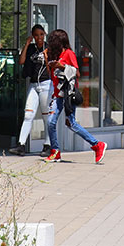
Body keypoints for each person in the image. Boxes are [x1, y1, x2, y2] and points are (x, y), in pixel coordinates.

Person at [43, 29, 107, 164]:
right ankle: (55, 151)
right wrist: (47, 60)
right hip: (57, 94)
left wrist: (62, 65)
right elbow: (51, 76)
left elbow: (77, 74)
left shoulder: (69, 54)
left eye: (53, 41)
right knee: (51, 121)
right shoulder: (53, 54)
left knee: (71, 124)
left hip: (67, 94)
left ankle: (97, 145)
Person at [8, 24, 52, 157]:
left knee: (46, 116)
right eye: (36, 35)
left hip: (46, 83)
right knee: (28, 115)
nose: (39, 38)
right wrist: (27, 45)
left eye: (41, 34)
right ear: (33, 36)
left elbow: (51, 68)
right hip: (33, 84)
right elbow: (21, 61)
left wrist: (45, 56)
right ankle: (21, 145)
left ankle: (48, 145)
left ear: (44, 34)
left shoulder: (48, 48)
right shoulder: (32, 48)